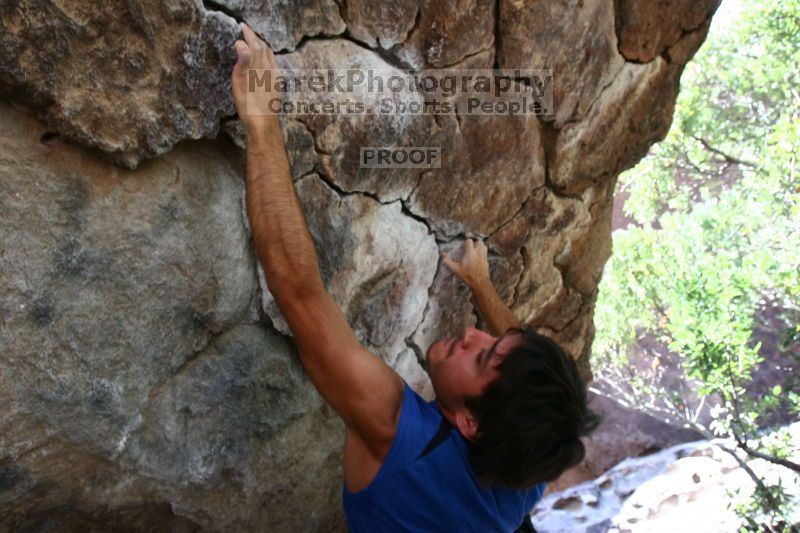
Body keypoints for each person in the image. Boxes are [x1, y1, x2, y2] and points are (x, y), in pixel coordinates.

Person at [230, 22, 598, 532]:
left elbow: (297, 289)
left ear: (469, 424)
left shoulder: (394, 433)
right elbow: (520, 347)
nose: (472, 334)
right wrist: (481, 284)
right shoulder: (527, 455)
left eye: (481, 354)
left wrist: (262, 122)